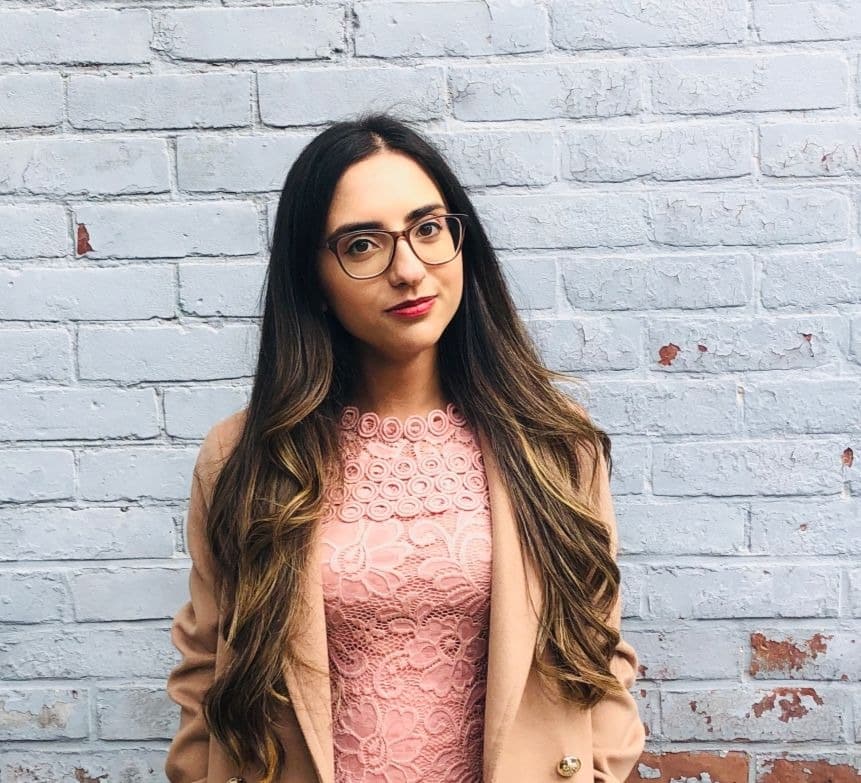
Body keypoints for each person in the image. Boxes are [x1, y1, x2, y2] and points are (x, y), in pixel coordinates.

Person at [164, 112, 646, 783]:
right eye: (362, 245)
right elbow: (205, 672)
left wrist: (601, 768)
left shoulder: (553, 443)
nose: (409, 269)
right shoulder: (247, 456)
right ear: (315, 278)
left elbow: (599, 648)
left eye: (427, 229)